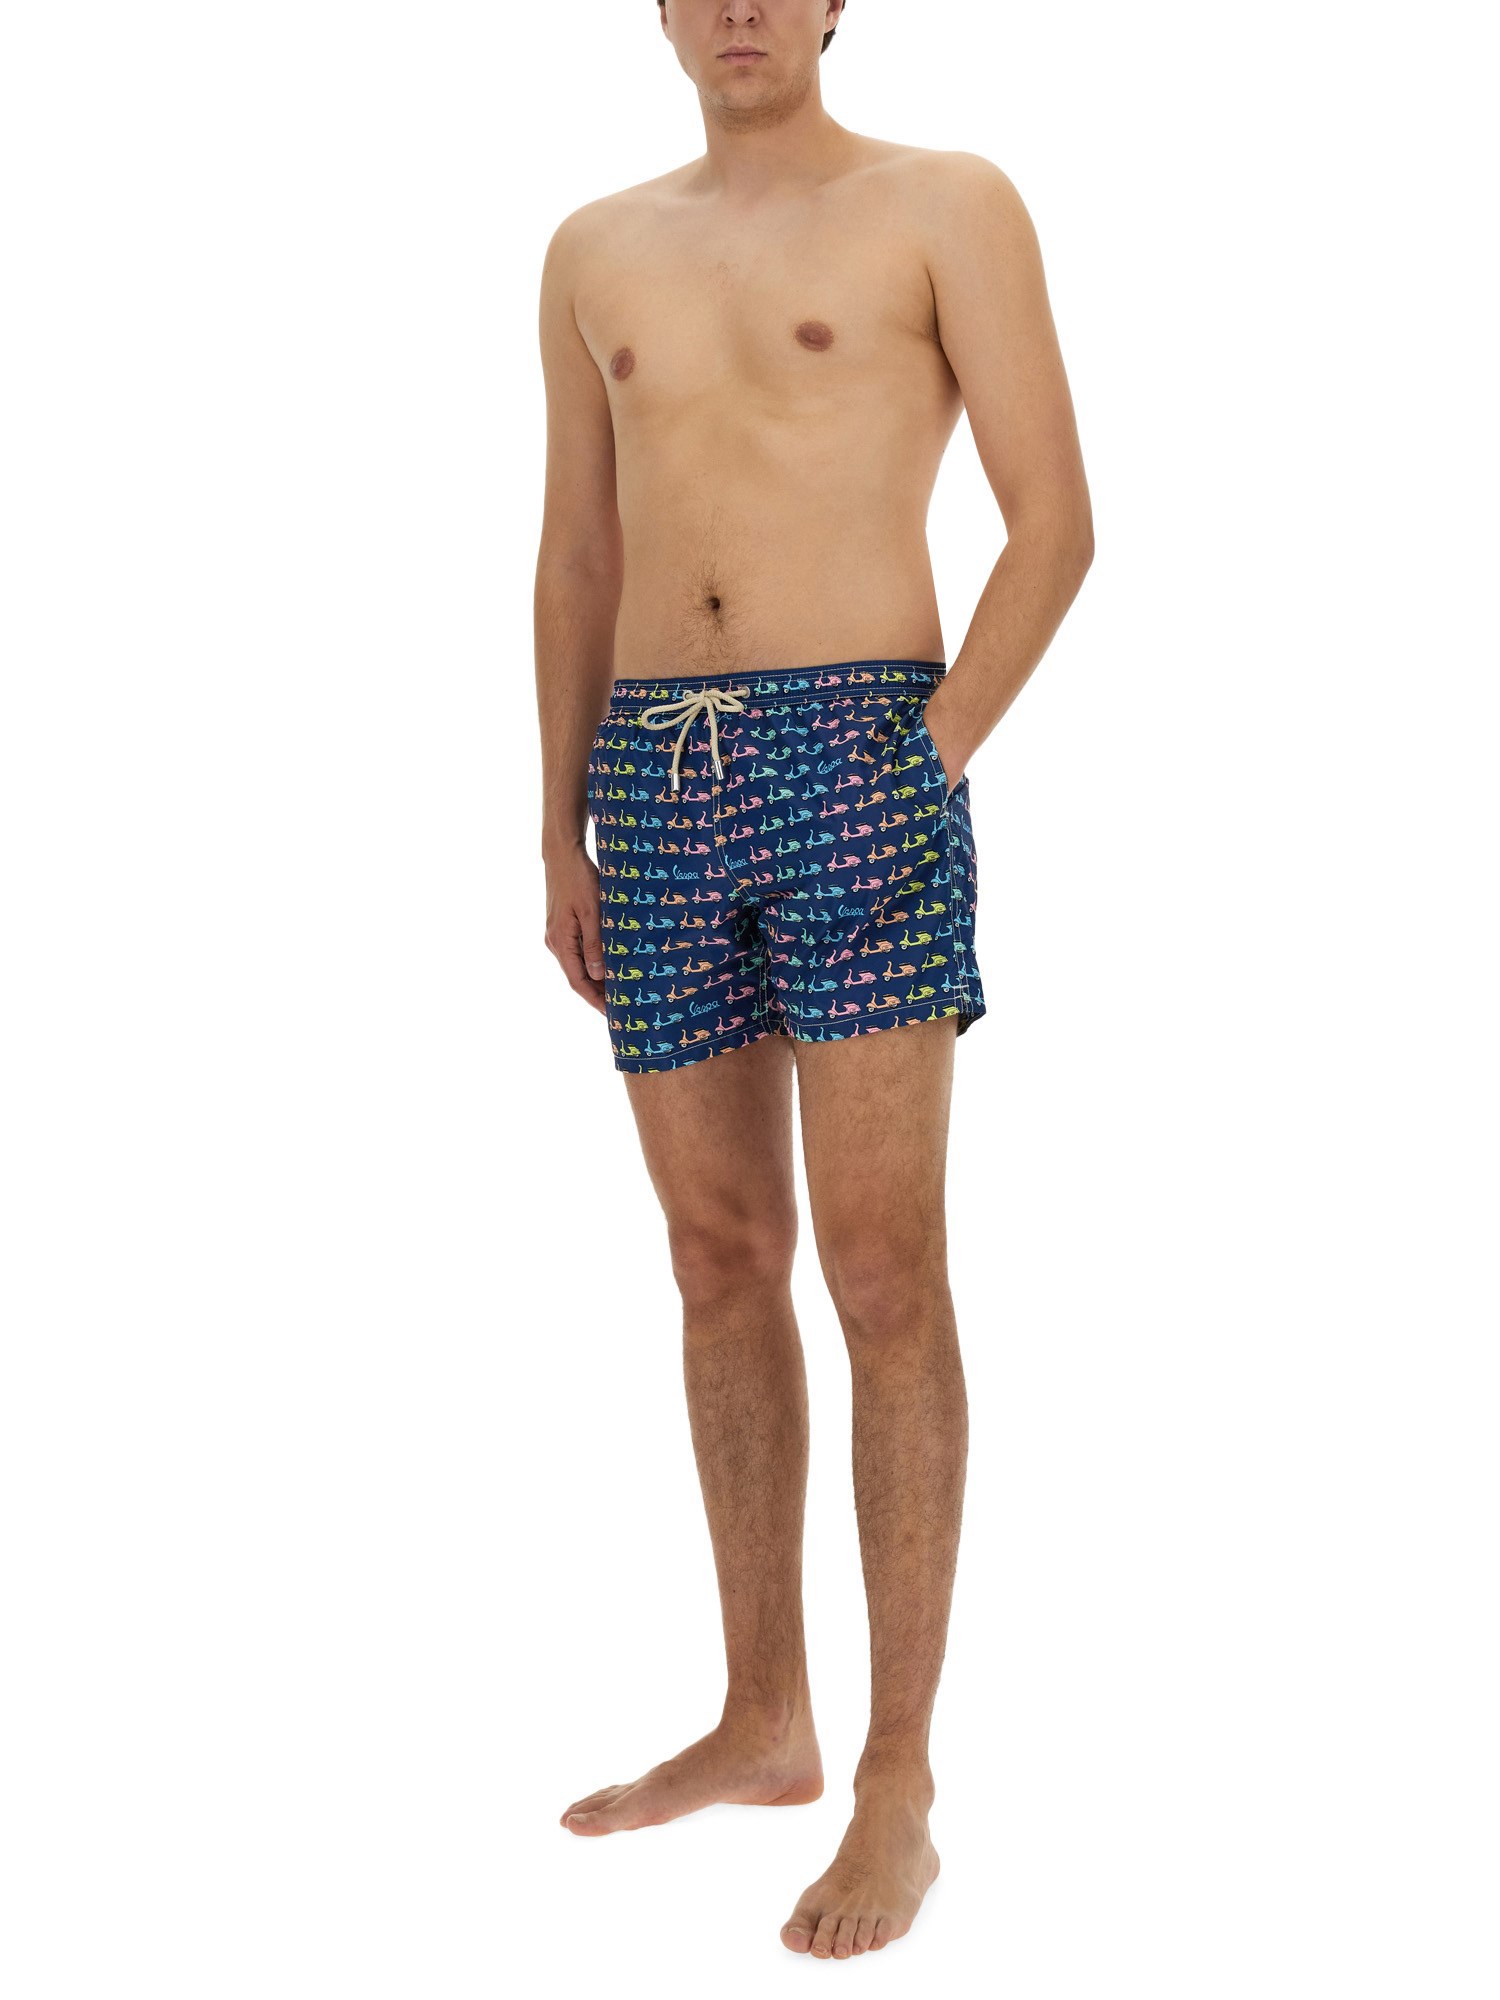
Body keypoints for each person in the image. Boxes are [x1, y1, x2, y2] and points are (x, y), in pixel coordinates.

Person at [534, 0, 1092, 1961]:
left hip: (861, 740)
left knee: (882, 1270)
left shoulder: (946, 201)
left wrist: (926, 754)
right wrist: (557, 825)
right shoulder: (595, 244)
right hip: (651, 770)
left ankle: (897, 1776)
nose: (741, 5)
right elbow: (578, 551)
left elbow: (1056, 522)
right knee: (716, 1257)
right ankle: (764, 1714)